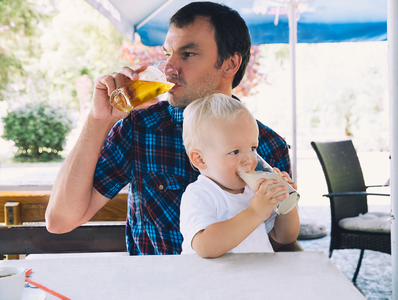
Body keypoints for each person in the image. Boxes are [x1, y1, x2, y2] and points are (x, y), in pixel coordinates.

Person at [45, 1, 294, 255]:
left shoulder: (269, 145)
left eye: (187, 54)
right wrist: (99, 120)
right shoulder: (140, 128)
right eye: (167, 55)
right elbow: (60, 220)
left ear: (230, 64)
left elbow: (280, 241)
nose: (169, 69)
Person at [180, 94, 300, 257]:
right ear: (200, 159)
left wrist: (286, 203)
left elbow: (284, 237)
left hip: (254, 279)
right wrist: (255, 212)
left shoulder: (254, 191)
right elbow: (205, 246)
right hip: (212, 281)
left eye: (252, 148)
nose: (249, 160)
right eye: (235, 152)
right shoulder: (199, 195)